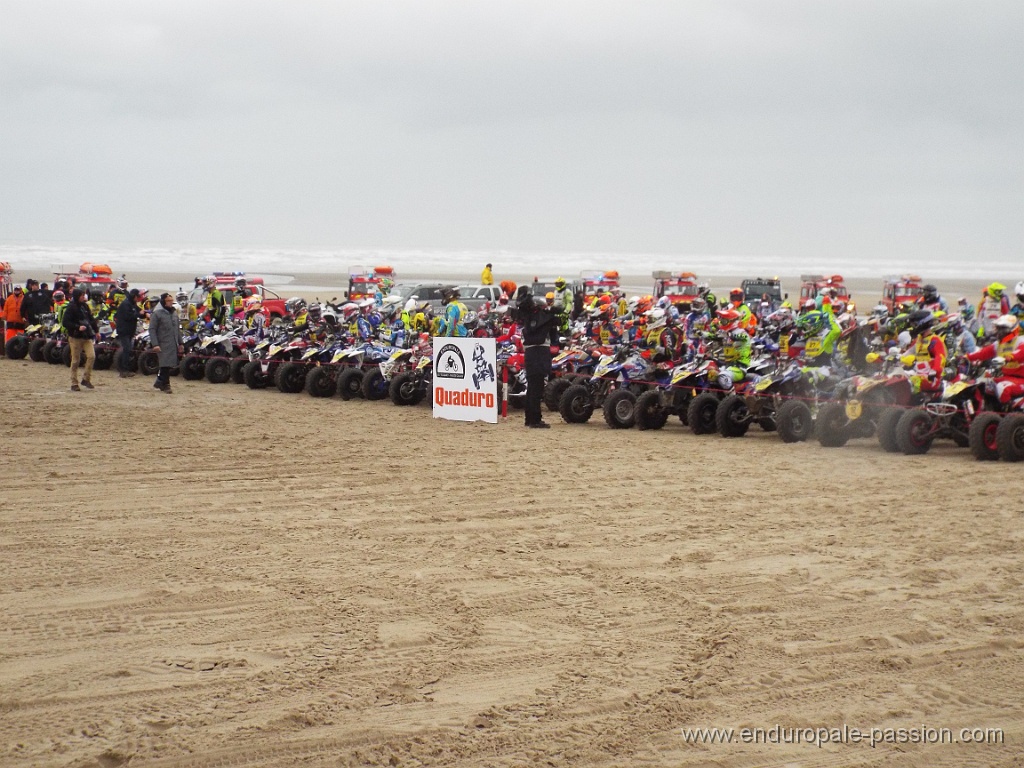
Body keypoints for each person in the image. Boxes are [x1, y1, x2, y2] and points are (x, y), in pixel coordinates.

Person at [514, 286, 559, 428]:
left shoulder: (527, 319)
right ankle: (535, 420)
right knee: (536, 388)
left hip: (530, 354)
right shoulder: (541, 321)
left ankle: (530, 419)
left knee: (532, 388)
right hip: (539, 354)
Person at [62, 288, 99, 391]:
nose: (84, 297)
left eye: (84, 295)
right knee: (75, 361)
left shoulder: (85, 306)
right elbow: (65, 322)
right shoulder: (71, 308)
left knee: (91, 356)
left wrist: (96, 331)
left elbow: (91, 320)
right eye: (81, 295)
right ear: (77, 296)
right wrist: (77, 327)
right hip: (75, 337)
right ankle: (74, 383)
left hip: (86, 336)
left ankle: (86, 379)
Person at [149, 293, 183, 393]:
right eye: (168, 301)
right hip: (162, 343)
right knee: (165, 364)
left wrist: (180, 343)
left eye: (171, 300)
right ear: (163, 301)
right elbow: (152, 329)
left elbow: (177, 329)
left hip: (173, 343)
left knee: (168, 365)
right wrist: (155, 344)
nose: (171, 302)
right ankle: (166, 385)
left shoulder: (174, 313)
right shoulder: (157, 313)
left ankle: (159, 382)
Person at [113, 288, 145, 377]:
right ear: (134, 296)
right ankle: (123, 370)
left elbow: (139, 311)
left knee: (129, 349)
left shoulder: (132, 304)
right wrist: (139, 314)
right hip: (124, 330)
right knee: (126, 349)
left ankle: (126, 369)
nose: (138, 299)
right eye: (137, 297)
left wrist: (145, 314)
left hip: (130, 330)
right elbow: (129, 316)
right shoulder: (125, 304)